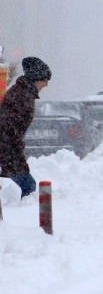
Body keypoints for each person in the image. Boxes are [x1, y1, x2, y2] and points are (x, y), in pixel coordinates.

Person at [0, 57, 52, 198]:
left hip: (8, 153)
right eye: (45, 80)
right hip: (8, 153)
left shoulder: (22, 93)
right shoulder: (22, 97)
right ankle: (21, 215)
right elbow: (10, 131)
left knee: (26, 187)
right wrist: (14, 161)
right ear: (37, 78)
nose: (46, 85)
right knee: (28, 187)